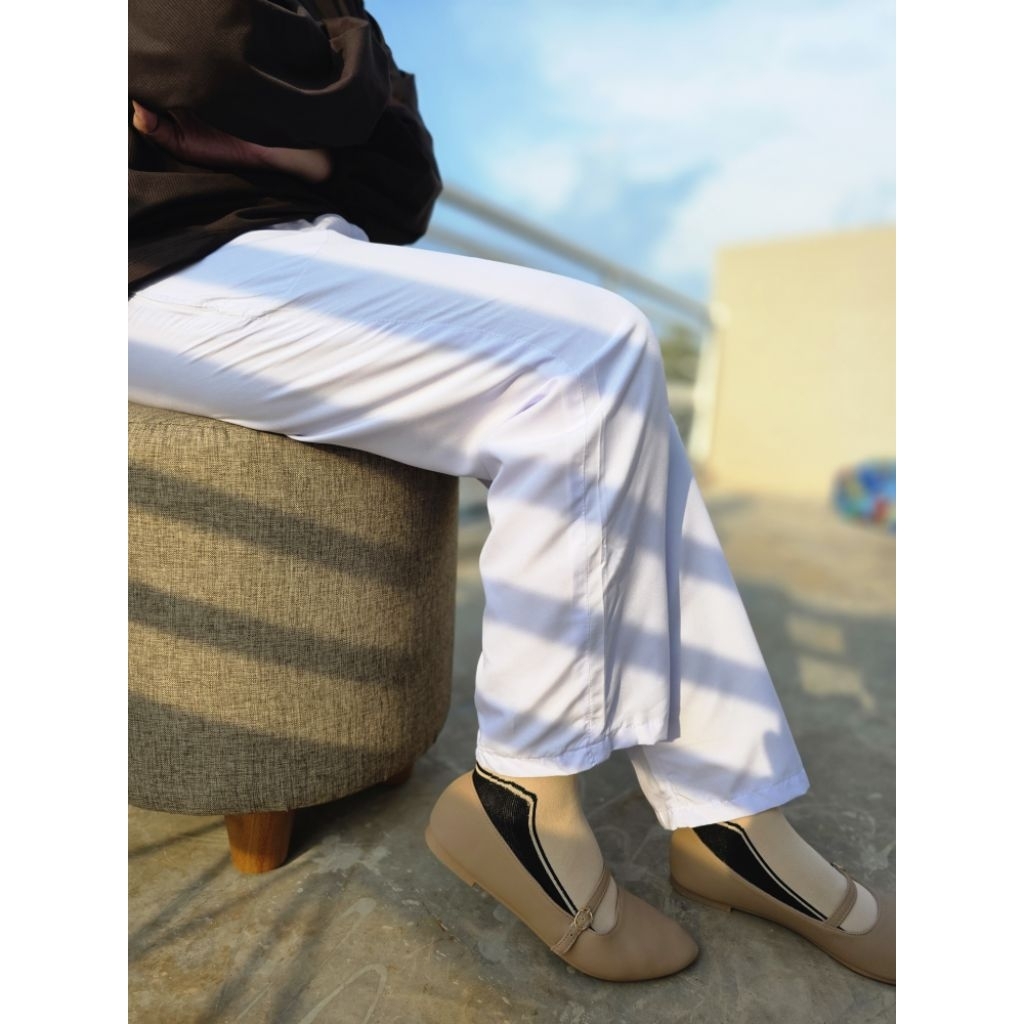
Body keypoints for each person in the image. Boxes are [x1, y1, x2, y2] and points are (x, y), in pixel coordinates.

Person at [128, 0, 894, 985]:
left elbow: (403, 185)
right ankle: (527, 799)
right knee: (587, 353)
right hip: (149, 265)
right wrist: (324, 115)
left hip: (296, 251)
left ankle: (730, 817)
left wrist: (290, 114)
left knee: (613, 388)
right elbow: (195, 47)